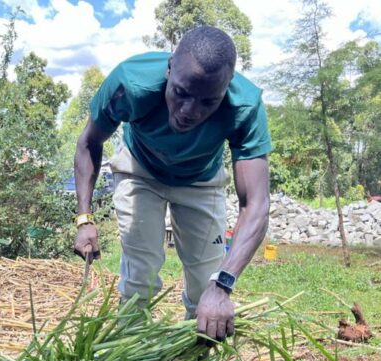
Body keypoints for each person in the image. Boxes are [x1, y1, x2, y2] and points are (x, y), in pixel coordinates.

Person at [72, 26, 271, 342]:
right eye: (180, 93)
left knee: (206, 284)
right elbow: (88, 143)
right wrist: (84, 219)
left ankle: (194, 360)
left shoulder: (244, 106)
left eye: (208, 102)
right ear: (169, 69)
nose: (189, 111)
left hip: (201, 181)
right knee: (140, 276)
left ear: (227, 88)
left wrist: (222, 286)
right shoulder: (131, 82)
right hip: (140, 170)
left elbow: (256, 205)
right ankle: (128, 355)